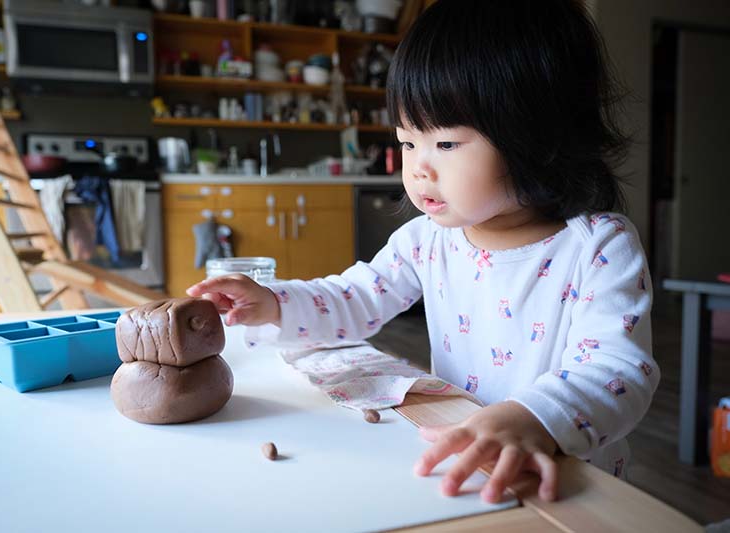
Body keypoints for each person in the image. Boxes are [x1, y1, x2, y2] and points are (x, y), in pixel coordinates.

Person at [187, 0, 659, 504]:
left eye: (446, 144)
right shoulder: (427, 240)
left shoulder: (597, 247)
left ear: (538, 136)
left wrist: (534, 417)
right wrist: (276, 304)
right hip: (464, 467)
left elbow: (617, 371)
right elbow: (355, 298)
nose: (418, 170)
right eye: (408, 143)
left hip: (565, 486)